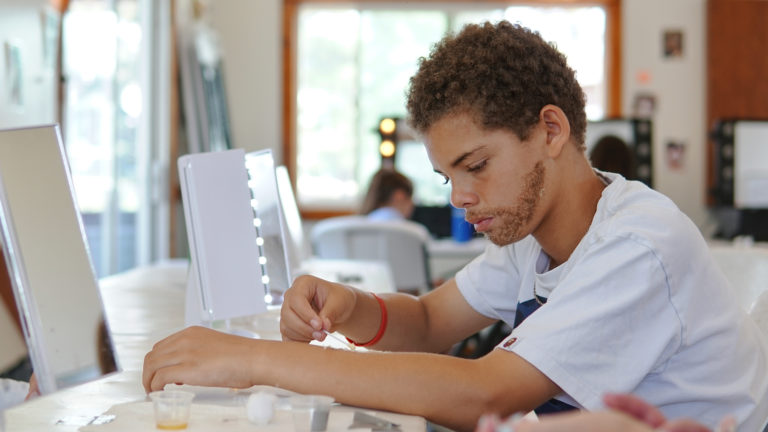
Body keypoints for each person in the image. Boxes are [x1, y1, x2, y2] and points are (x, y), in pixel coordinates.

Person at [142, 21, 768, 431]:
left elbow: (487, 394)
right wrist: (349, 305)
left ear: (550, 131)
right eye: (447, 178)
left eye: (476, 166)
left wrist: (255, 362)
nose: (463, 198)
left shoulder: (636, 244)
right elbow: (431, 323)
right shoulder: (533, 232)